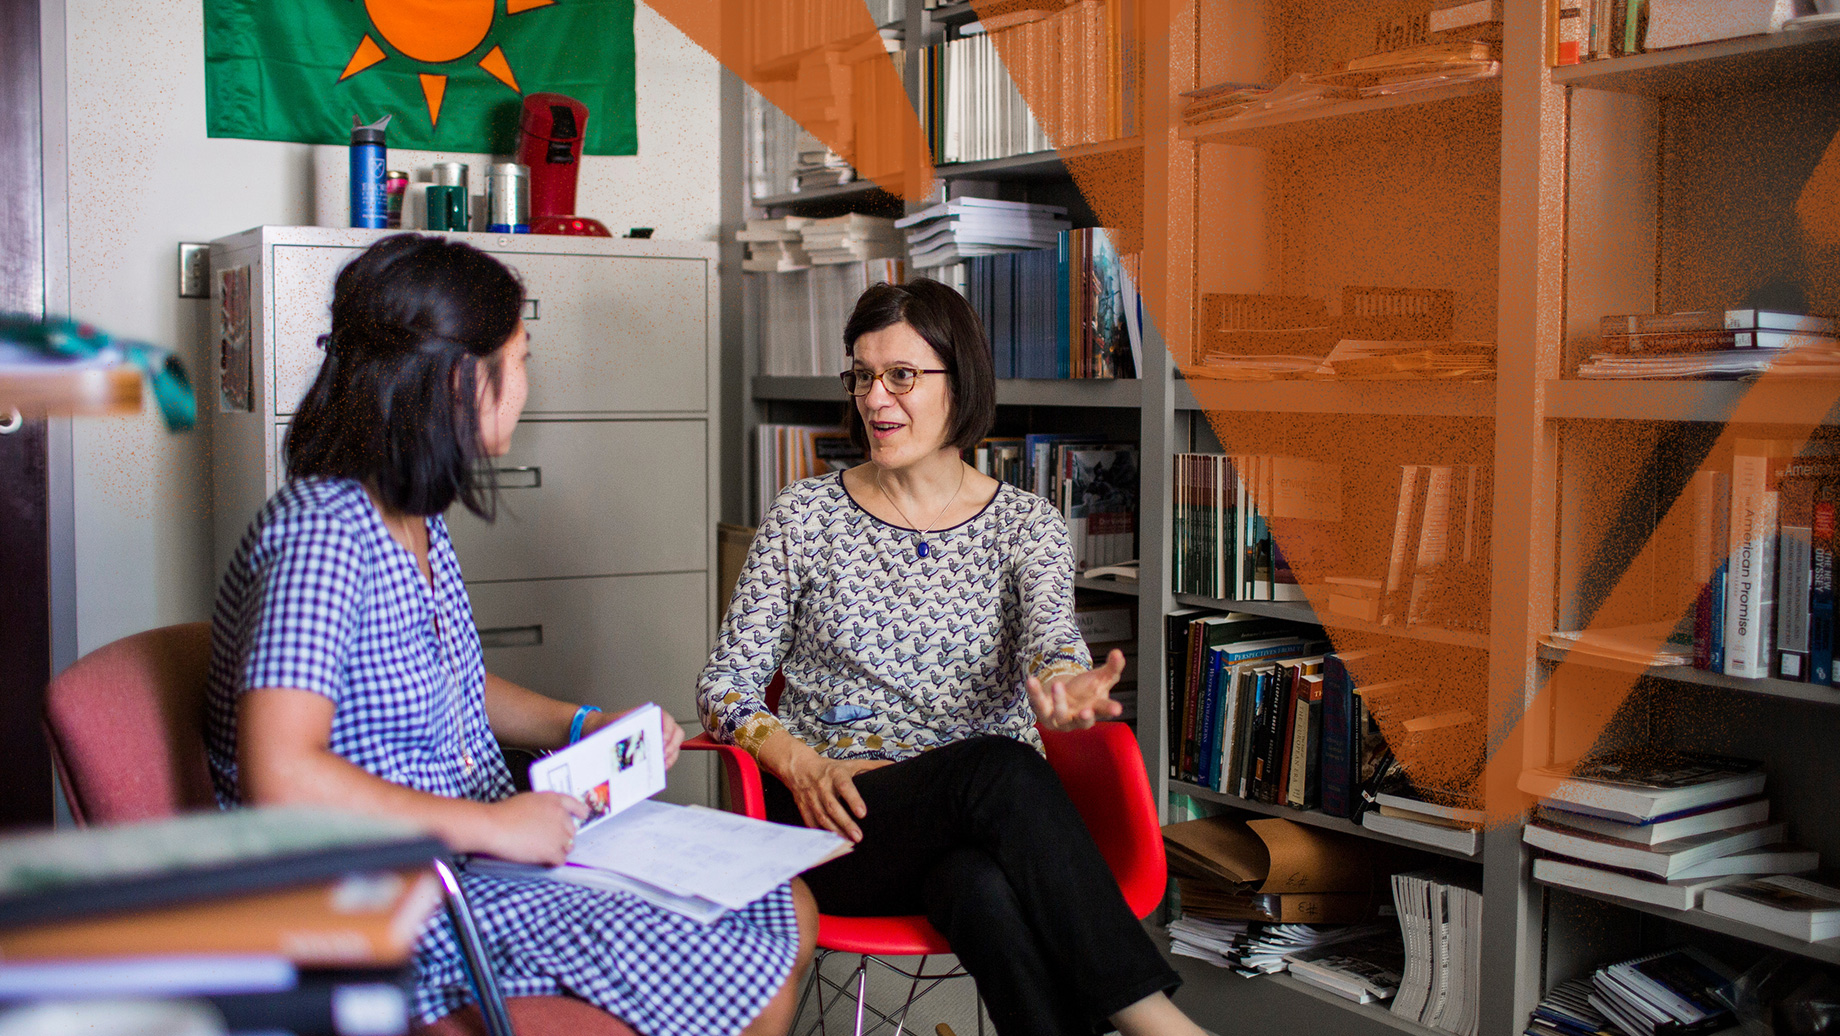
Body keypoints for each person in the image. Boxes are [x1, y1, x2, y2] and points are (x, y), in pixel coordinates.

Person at [204, 233, 815, 1036]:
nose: (528, 383)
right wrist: (493, 825)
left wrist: (581, 725)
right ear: (463, 380)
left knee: (782, 902)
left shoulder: (412, 517)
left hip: (465, 853)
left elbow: (456, 684)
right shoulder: (323, 537)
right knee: (744, 956)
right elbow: (281, 775)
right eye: (520, 357)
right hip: (386, 894)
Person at [699, 280, 1207, 1036]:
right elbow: (723, 688)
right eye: (862, 375)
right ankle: (1155, 1020)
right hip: (837, 819)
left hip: (979, 832)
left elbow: (1053, 642)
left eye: (901, 375)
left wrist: (1066, 688)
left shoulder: (1026, 525)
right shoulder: (805, 514)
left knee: (978, 888)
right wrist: (805, 767)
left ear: (959, 380)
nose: (876, 399)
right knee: (998, 766)